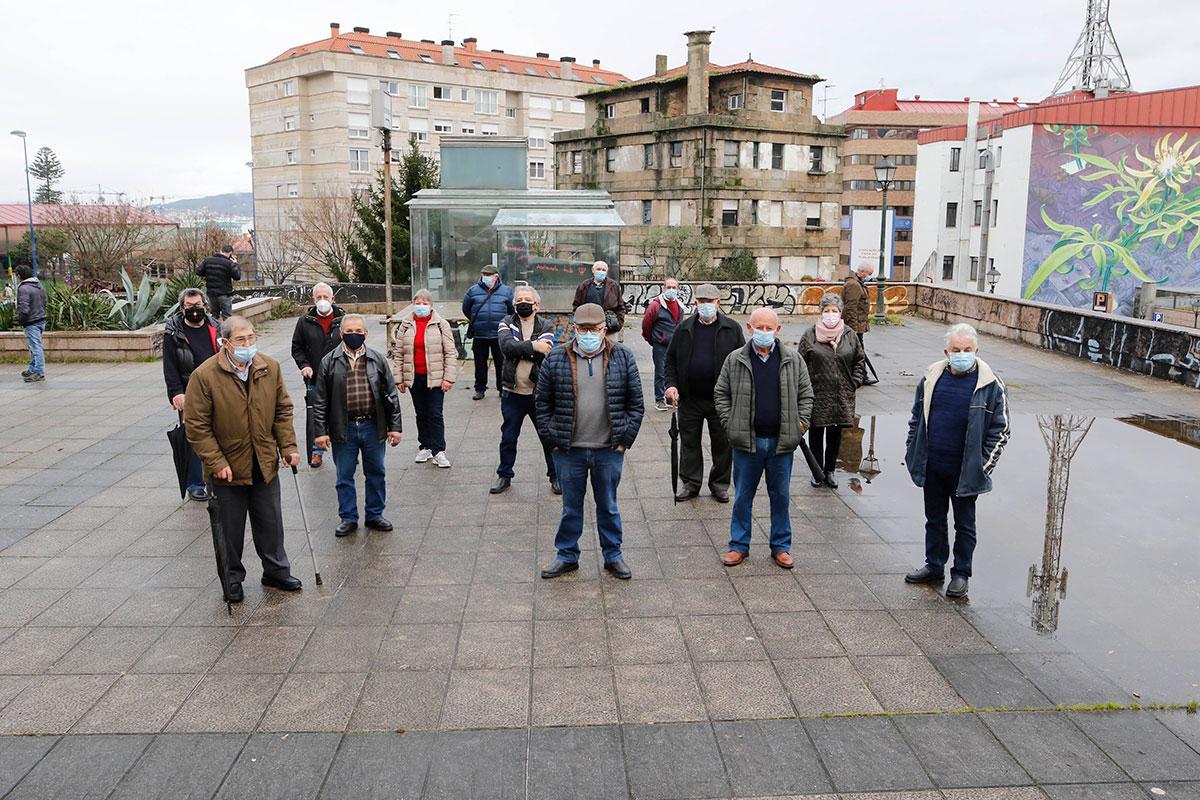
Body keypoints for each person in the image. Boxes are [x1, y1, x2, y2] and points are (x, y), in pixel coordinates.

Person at [184, 316, 303, 602]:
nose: (248, 344)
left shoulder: (268, 367)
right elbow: (196, 426)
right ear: (224, 343)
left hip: (263, 460)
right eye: (240, 340)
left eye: (251, 338)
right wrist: (216, 462)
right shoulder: (205, 376)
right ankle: (232, 579)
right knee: (230, 530)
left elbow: (282, 410)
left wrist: (288, 446)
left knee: (270, 522)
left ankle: (275, 571)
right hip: (227, 466)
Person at [536, 303, 644, 580]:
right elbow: (542, 404)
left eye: (593, 329)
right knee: (571, 507)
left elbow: (636, 404)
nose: (587, 334)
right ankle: (567, 555)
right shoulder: (556, 358)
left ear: (603, 329)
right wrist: (554, 440)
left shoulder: (623, 357)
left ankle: (613, 555)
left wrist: (624, 440)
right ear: (574, 328)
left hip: (609, 449)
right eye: (582, 329)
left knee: (608, 505)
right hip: (569, 450)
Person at [904, 323, 1010, 598]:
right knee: (934, 519)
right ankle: (935, 565)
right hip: (933, 464)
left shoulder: (990, 385)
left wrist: (982, 465)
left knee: (964, 524)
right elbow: (917, 417)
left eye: (967, 350)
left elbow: (1001, 430)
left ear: (976, 351)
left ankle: (961, 573)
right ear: (946, 352)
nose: (961, 354)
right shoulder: (932, 378)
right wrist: (912, 450)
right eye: (956, 350)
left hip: (966, 470)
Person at [715, 307, 814, 570]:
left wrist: (799, 426)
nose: (764, 332)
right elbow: (721, 394)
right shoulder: (735, 359)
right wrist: (730, 424)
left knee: (780, 496)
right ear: (749, 328)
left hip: (781, 443)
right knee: (742, 497)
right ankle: (738, 545)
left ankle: (781, 547)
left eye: (769, 328)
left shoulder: (793, 360)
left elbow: (807, 396)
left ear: (778, 330)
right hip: (746, 443)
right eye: (759, 327)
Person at [312, 314, 404, 537]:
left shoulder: (377, 359)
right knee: (344, 475)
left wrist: (395, 427)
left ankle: (374, 514)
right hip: (344, 427)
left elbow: (391, 394)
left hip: (373, 425)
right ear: (341, 334)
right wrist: (320, 432)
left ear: (366, 334)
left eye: (359, 331)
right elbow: (321, 400)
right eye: (349, 331)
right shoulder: (329, 361)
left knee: (376, 472)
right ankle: (348, 517)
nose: (354, 335)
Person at [664, 283, 744, 503]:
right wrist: (671, 385)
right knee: (689, 442)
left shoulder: (732, 329)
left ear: (718, 303)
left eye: (710, 301)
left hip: (721, 399)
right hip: (690, 398)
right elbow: (670, 359)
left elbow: (743, 361)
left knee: (723, 444)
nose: (705, 305)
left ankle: (719, 484)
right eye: (701, 301)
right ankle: (691, 483)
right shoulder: (683, 329)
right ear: (695, 303)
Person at [492, 285, 559, 495]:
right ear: (513, 304)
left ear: (536, 305)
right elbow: (506, 347)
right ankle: (504, 475)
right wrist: (532, 347)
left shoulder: (546, 324)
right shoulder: (506, 322)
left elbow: (545, 351)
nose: (523, 302)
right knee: (509, 437)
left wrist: (521, 348)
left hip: (538, 393)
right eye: (519, 299)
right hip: (512, 392)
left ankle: (556, 476)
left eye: (527, 299)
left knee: (548, 437)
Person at [798, 293, 867, 489]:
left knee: (836, 434)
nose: (830, 314)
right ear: (821, 312)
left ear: (840, 312)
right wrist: (804, 388)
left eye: (834, 311)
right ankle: (817, 471)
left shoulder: (849, 335)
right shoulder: (810, 335)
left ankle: (830, 470)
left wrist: (854, 382)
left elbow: (859, 360)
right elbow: (800, 363)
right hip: (817, 393)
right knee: (817, 433)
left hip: (842, 395)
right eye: (827, 311)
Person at [163, 288, 220, 501]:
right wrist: (175, 393)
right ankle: (195, 482)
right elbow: (169, 365)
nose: (194, 310)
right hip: (189, 391)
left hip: (216, 389)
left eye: (198, 306)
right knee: (193, 437)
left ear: (205, 306)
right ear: (182, 308)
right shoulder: (174, 333)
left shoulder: (215, 327)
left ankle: (216, 473)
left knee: (219, 432)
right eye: (189, 307)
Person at [392, 289, 457, 469]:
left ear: (431, 305)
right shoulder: (405, 325)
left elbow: (450, 353)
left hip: (436, 377)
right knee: (421, 413)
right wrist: (399, 379)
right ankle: (425, 445)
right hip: (414, 377)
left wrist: (449, 378)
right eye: (418, 303)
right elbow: (398, 354)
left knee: (435, 413)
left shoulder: (440, 324)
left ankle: (439, 450)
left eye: (425, 303)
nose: (421, 306)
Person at [291, 282, 345, 468]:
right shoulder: (304, 321)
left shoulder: (343, 319)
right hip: (315, 377)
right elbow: (297, 348)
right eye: (318, 297)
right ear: (313, 300)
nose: (322, 301)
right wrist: (304, 365)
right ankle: (316, 451)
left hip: (340, 377)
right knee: (316, 415)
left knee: (341, 413)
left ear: (333, 299)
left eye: (326, 297)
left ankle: (345, 450)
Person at [462, 265, 514, 400]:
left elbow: (511, 311)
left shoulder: (507, 291)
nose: (486, 277)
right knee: (480, 364)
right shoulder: (473, 291)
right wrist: (478, 320)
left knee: (501, 363)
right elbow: (466, 309)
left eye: (488, 274)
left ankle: (502, 388)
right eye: (484, 274)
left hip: (499, 335)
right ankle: (480, 389)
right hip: (480, 334)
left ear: (496, 276)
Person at [642, 277, 684, 411]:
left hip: (675, 345)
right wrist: (653, 340)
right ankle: (659, 399)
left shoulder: (679, 305)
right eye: (669, 287)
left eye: (674, 287)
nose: (671, 290)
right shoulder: (656, 305)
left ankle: (670, 398)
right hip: (660, 344)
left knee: (673, 372)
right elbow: (646, 325)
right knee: (660, 372)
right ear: (663, 288)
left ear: (678, 289)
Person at [843, 264, 880, 385]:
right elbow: (851, 308)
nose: (869, 277)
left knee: (858, 351)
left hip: (858, 324)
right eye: (869, 274)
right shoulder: (854, 285)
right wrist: (853, 328)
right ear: (862, 272)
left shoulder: (856, 283)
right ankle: (862, 376)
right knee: (859, 352)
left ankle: (861, 376)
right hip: (855, 325)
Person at [573, 261, 624, 344]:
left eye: (604, 270)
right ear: (593, 270)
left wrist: (619, 323)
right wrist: (580, 325)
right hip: (590, 329)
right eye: (599, 269)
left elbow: (621, 307)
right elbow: (576, 306)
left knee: (610, 352)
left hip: (610, 329)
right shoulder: (584, 286)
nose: (601, 271)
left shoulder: (614, 286)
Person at [14, 264, 46, 383]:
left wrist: (20, 319)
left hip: (31, 321)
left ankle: (39, 372)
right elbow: (45, 301)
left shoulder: (23, 288)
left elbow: (24, 308)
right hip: (41, 319)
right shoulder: (38, 285)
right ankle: (33, 369)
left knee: (35, 347)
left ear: (20, 275)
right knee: (34, 346)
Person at [196, 244, 241, 320]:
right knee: (227, 317)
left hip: (211, 293)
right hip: (224, 293)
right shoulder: (229, 263)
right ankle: (226, 332)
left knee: (214, 316)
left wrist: (208, 273)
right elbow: (237, 277)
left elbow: (198, 271)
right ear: (230, 253)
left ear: (221, 251)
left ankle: (214, 331)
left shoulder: (207, 260)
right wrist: (235, 264)